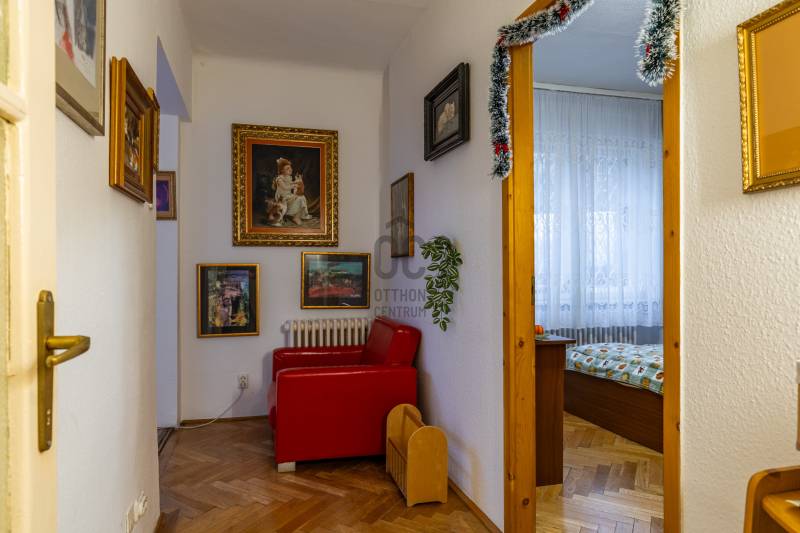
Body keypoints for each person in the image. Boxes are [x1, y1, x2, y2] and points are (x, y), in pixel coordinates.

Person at [271, 158, 312, 226]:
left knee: (302, 197)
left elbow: (290, 183)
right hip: (282, 197)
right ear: (282, 170)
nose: (290, 169)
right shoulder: (279, 179)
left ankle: (300, 215)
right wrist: (294, 185)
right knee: (297, 199)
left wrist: (297, 181)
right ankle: (281, 219)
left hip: (288, 195)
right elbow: (285, 187)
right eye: (287, 168)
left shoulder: (288, 177)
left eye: (290, 168)